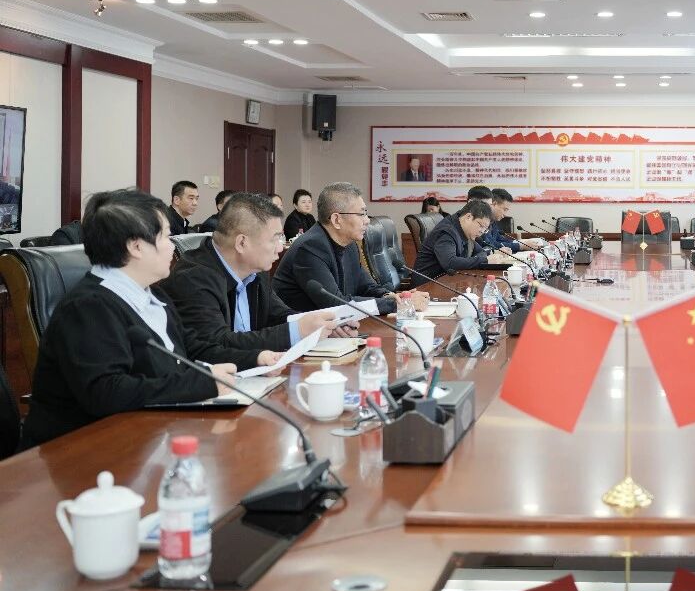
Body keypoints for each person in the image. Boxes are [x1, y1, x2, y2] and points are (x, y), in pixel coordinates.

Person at [20, 189, 238, 448]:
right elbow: (108, 391)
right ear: (136, 246)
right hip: (83, 451)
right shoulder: (87, 307)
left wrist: (259, 358)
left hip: (151, 434)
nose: (172, 246)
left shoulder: (152, 293)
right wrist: (201, 384)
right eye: (165, 236)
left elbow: (194, 348)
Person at [159, 194, 343, 371]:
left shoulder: (255, 270)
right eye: (275, 238)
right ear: (242, 243)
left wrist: (320, 325)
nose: (280, 247)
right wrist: (295, 331)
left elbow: (276, 314)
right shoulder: (193, 278)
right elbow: (215, 345)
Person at [273, 182, 430, 314]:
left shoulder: (349, 244)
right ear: (336, 219)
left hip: (332, 329)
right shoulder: (310, 248)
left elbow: (365, 286)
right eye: (361, 214)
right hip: (298, 335)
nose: (367, 220)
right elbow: (335, 304)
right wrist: (397, 305)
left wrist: (391, 296)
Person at [414, 199, 506, 278]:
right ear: (468, 217)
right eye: (481, 226)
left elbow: (480, 252)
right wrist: (485, 260)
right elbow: (450, 263)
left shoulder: (465, 231)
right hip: (427, 285)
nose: (482, 231)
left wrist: (491, 255)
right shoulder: (447, 232)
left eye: (485, 229)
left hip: (448, 280)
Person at [480, 188, 544, 252]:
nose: (505, 214)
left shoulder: (493, 222)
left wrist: (521, 243)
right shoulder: (482, 222)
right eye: (505, 209)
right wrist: (521, 246)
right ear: (494, 204)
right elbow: (492, 244)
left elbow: (501, 239)